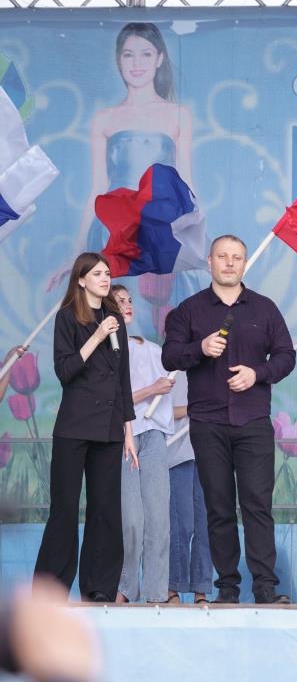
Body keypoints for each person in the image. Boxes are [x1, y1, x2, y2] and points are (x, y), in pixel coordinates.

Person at [162, 235, 296, 605]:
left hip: (253, 420)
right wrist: (200, 348)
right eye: (223, 256)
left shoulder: (264, 309)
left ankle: (265, 587)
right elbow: (170, 356)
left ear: (245, 264)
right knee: (218, 507)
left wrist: (257, 374)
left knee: (257, 505)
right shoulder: (189, 310)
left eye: (237, 257)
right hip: (207, 422)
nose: (230, 263)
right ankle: (227, 587)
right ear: (210, 262)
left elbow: (286, 356)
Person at [34, 253, 137, 602]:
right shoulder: (67, 318)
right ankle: (51, 591)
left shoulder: (115, 319)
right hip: (74, 427)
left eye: (107, 273)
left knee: (105, 509)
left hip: (109, 428)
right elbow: (65, 371)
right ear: (81, 280)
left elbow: (123, 379)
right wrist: (96, 336)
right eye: (97, 274)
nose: (105, 278)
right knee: (64, 508)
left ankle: (99, 588)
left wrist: (128, 431)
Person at [77, 22, 192, 255]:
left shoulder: (179, 114)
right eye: (129, 55)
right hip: (112, 230)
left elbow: (186, 185)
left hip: (159, 229)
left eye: (146, 54)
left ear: (159, 58)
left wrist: (193, 241)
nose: (137, 64)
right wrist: (78, 251)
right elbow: (97, 189)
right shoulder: (104, 119)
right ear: (119, 61)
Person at [110, 285, 173, 604]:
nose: (127, 305)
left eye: (129, 300)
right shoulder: (107, 350)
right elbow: (111, 401)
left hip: (153, 436)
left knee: (159, 519)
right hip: (124, 436)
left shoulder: (153, 350)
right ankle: (125, 587)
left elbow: (166, 391)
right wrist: (151, 390)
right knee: (132, 520)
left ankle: (156, 593)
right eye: (119, 301)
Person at [166, 373, 213, 604]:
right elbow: (157, 413)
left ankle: (201, 590)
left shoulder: (215, 370)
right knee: (181, 525)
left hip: (209, 455)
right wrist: (193, 409)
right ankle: (172, 588)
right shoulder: (172, 370)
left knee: (205, 526)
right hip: (177, 455)